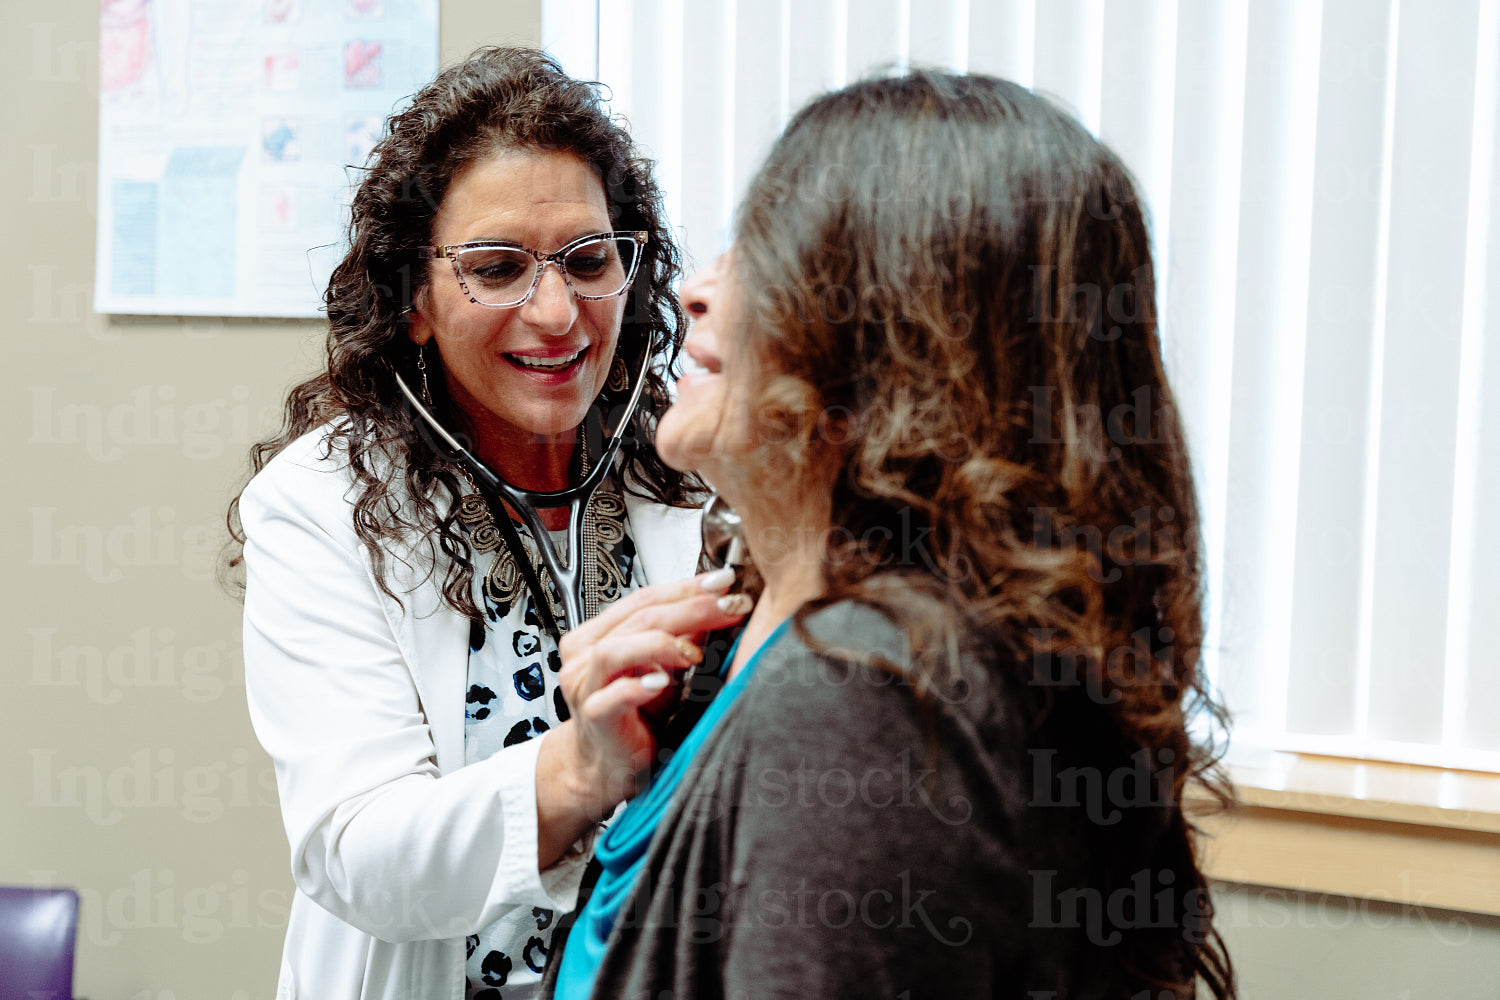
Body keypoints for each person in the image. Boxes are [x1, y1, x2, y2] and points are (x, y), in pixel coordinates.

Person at [546, 72, 1237, 999]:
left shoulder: (860, 696)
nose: (697, 291)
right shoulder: (776, 646)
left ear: (904, 338)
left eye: (768, 251)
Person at [228, 48, 750, 1000]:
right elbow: (356, 852)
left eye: (589, 261)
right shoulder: (320, 508)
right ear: (413, 302)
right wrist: (579, 767)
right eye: (497, 268)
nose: (556, 313)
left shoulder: (704, 464)